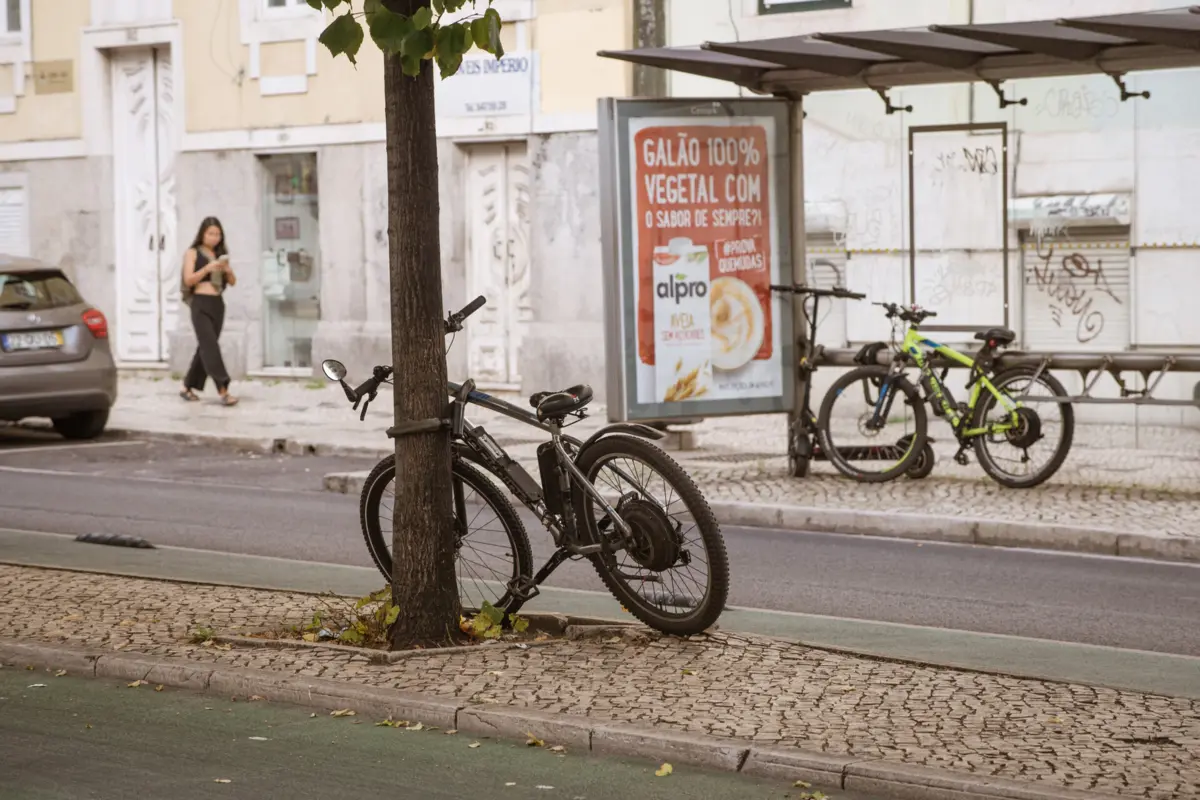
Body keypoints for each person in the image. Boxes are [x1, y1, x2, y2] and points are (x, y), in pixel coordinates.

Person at [179, 216, 239, 406]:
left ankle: (187, 386)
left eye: (218, 234)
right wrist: (207, 269)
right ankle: (223, 390)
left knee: (205, 347)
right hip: (200, 303)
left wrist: (227, 270)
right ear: (202, 234)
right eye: (211, 234)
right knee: (210, 347)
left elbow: (232, 282)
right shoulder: (192, 253)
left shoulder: (219, 253)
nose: (214, 238)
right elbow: (188, 280)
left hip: (217, 304)